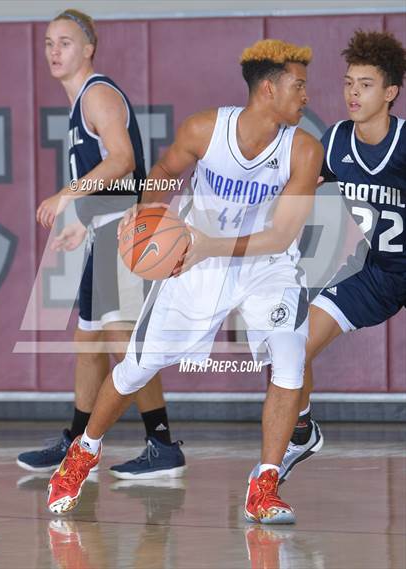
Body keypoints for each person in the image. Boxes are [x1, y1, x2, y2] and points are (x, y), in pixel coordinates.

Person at [47, 37, 324, 523]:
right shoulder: (204, 130)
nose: (306, 96)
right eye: (298, 86)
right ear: (267, 90)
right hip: (197, 263)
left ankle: (265, 483)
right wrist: (145, 217)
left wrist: (206, 245)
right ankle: (82, 454)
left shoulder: (303, 149)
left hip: (266, 265)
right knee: (136, 366)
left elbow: (281, 235)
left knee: (288, 353)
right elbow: (162, 170)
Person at [17, 9, 185, 479]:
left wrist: (66, 195)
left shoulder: (99, 95)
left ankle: (162, 443)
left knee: (122, 341)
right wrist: (83, 221)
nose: (54, 51)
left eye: (65, 42)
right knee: (87, 344)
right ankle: (77, 444)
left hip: (125, 233)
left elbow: (124, 161)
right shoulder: (79, 105)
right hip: (104, 228)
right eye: (49, 42)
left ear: (89, 48)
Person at [278, 30, 406, 483]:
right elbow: (301, 188)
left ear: (390, 92)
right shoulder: (334, 141)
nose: (353, 92)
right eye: (349, 82)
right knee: (291, 343)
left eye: (365, 84)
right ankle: (301, 430)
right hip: (378, 274)